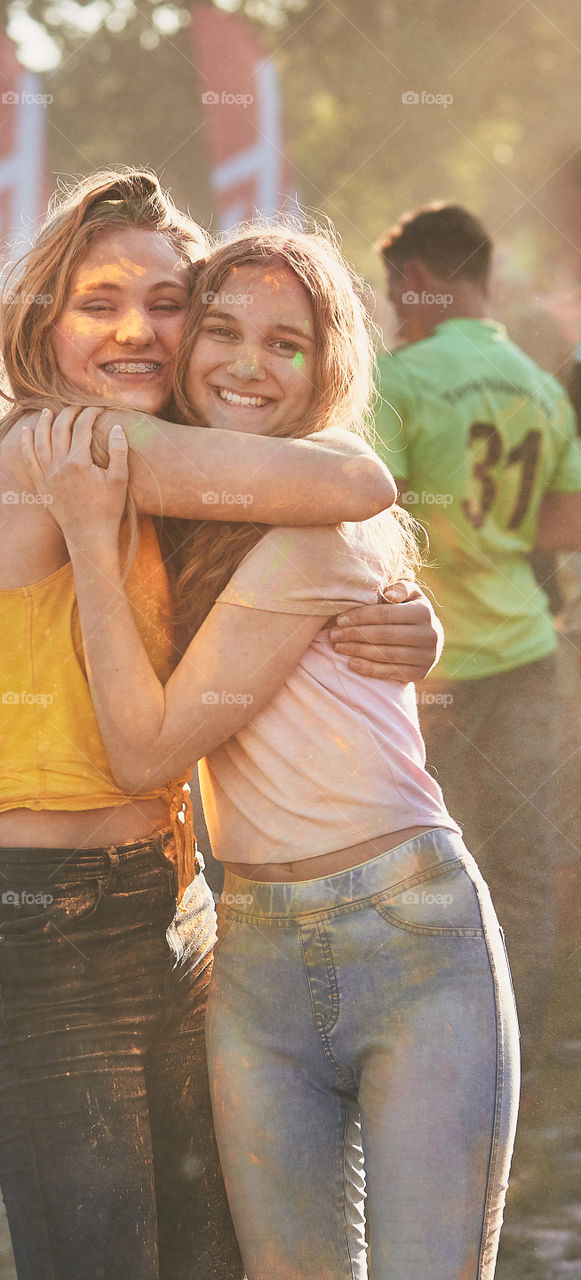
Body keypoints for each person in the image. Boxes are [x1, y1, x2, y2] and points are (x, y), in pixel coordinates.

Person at [0, 169, 444, 1280]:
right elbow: (355, 480)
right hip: (49, 935)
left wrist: (411, 619)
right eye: (98, 301)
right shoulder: (68, 448)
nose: (136, 330)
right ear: (42, 321)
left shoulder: (140, 484)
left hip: (180, 911)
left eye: (169, 304)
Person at [22, 227, 520, 1280]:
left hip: (410, 931)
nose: (247, 362)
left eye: (284, 343)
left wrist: (80, 531)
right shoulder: (190, 518)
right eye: (221, 330)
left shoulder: (311, 526)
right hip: (252, 950)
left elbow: (145, 745)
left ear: (324, 367)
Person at [370, 203, 581, 1101]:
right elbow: (563, 522)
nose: (389, 310)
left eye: (394, 291)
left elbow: (366, 516)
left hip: (431, 669)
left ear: (425, 277)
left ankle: (434, 1066)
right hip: (531, 653)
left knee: (425, 866)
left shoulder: (398, 377)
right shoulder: (537, 383)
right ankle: (511, 1063)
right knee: (526, 868)